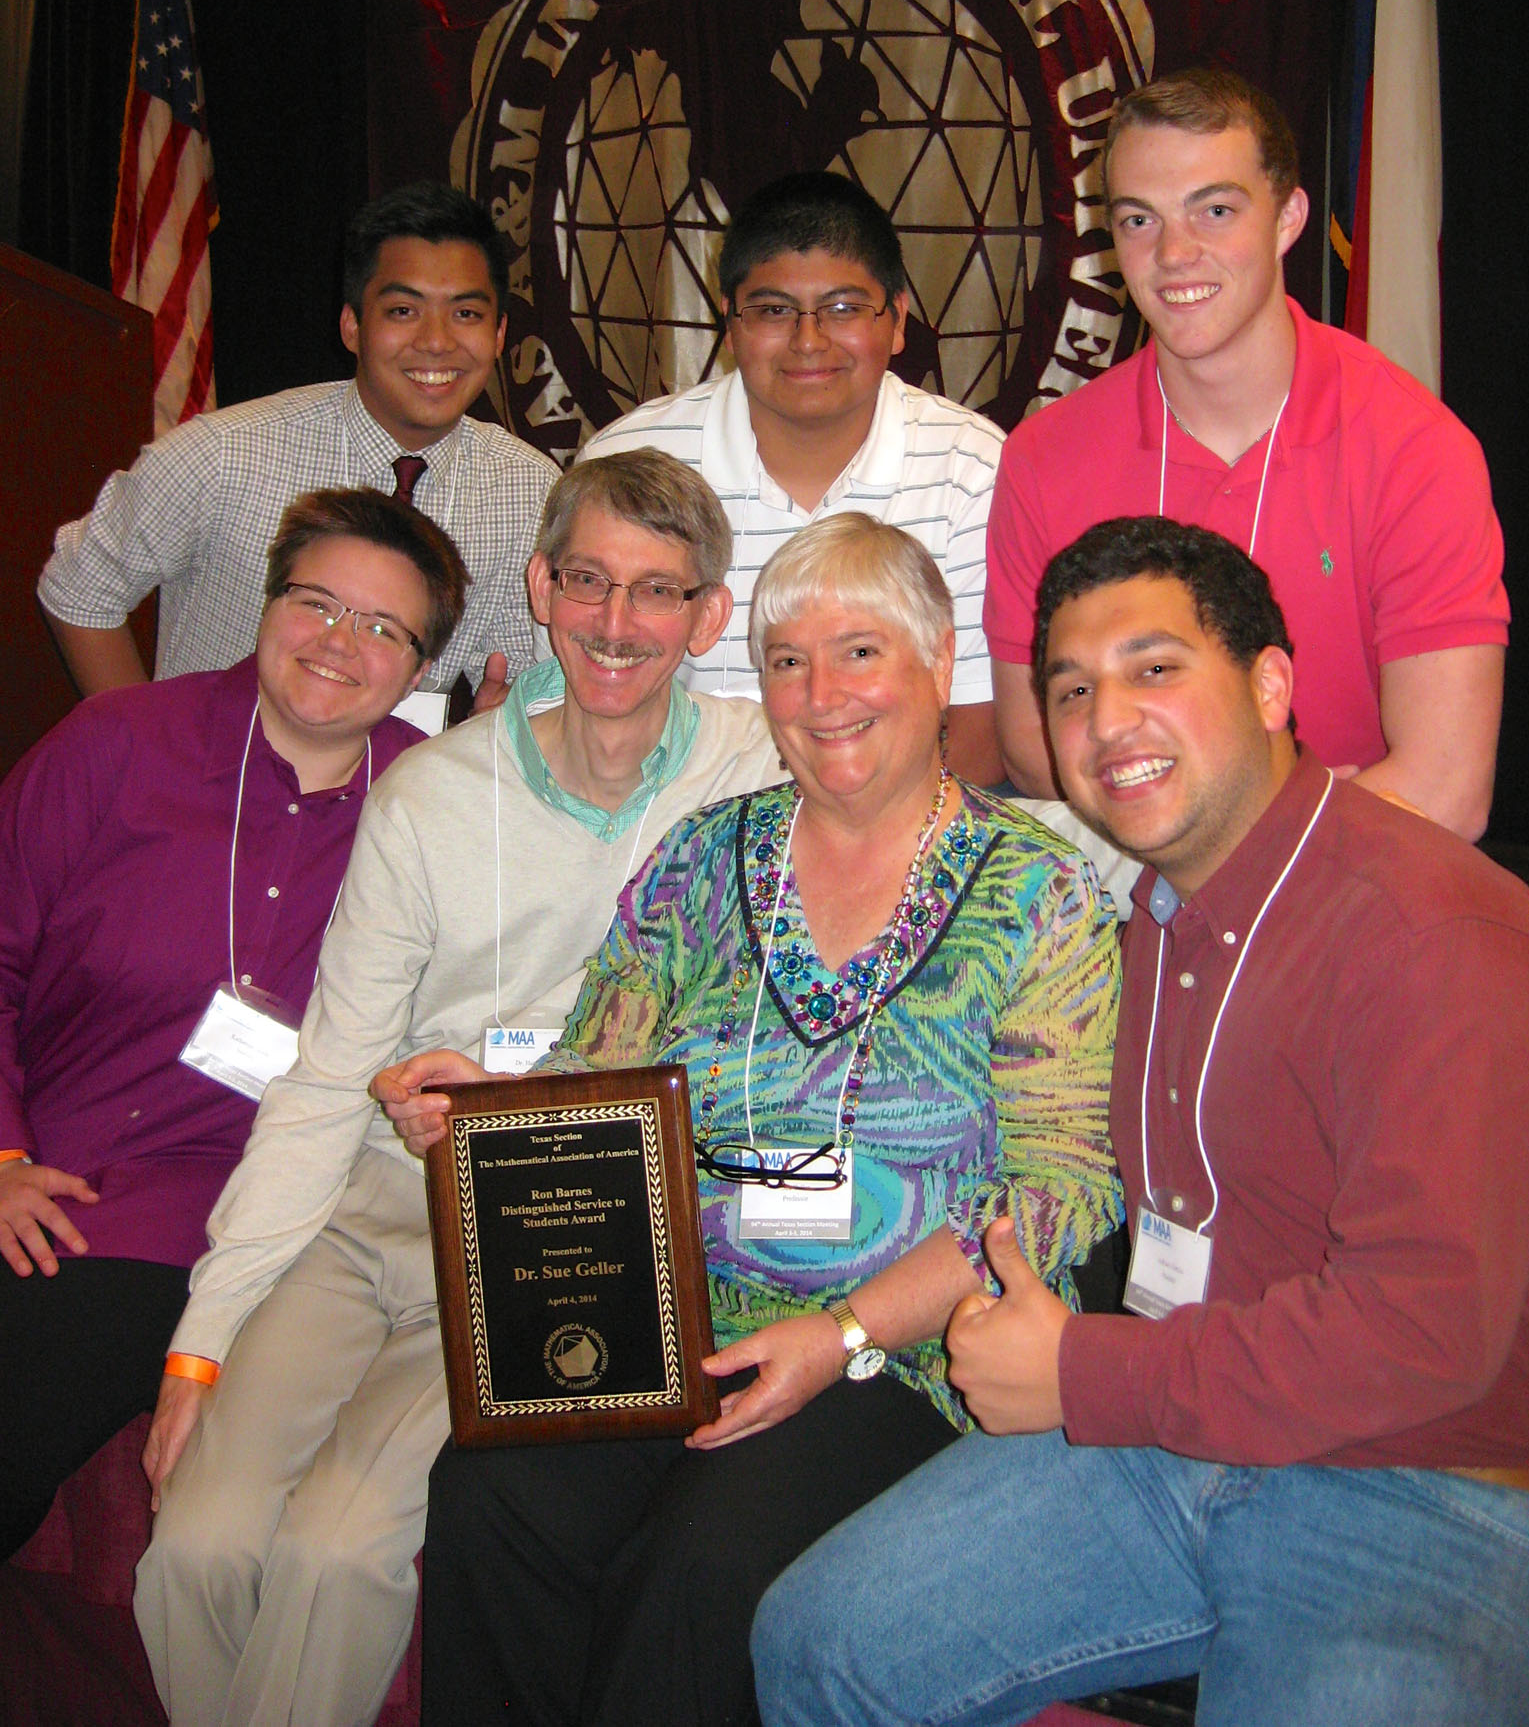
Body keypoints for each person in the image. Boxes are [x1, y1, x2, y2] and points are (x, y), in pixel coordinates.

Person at [752, 516, 1529, 1727]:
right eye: (1071, 689)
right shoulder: (1159, 911)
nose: (1106, 722)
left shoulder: (1440, 938)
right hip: (1194, 1432)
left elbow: (1421, 1336)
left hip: (1450, 1478)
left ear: (1269, 684)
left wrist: (1083, 1371)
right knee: (821, 1645)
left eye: (1155, 671)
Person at [410, 513, 1122, 1727]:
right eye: (788, 660)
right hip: (664, 1322)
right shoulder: (700, 858)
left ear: (937, 663)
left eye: (860, 653)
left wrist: (841, 1333)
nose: (820, 693)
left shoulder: (1040, 892)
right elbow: (602, 1074)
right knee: (493, 1494)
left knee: (709, 1561)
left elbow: (1062, 1186)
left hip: (899, 1351)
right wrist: (493, 1109)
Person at [132, 451, 780, 1727]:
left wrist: (509, 1092)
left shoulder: (759, 779)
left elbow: (761, 1047)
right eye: (587, 579)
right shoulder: (432, 796)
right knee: (195, 1544)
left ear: (710, 618)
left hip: (547, 1235)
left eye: (658, 593)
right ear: (539, 588)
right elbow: (329, 1075)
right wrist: (200, 1342)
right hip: (370, 1206)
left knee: (336, 1552)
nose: (613, 622)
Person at [0, 486, 465, 1561]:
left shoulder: (428, 805)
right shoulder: (119, 741)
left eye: (384, 627)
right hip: (39, 1145)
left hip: (201, 1207)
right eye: (316, 602)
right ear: (266, 604)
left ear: (418, 666)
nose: (340, 643)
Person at [984, 69, 1508, 838]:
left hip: (1352, 891)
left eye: (1216, 210)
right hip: (1131, 893)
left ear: (1288, 217)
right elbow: (1035, 750)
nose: (1174, 254)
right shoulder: (1044, 457)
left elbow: (1447, 788)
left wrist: (1230, 856)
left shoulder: (1415, 450)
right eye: (1139, 221)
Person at [39, 179, 558, 714]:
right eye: (404, 311)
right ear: (352, 326)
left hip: (396, 789)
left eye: (465, 314)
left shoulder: (529, 491)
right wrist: (146, 750)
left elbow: (525, 676)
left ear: (498, 335)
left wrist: (495, 732)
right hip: (215, 783)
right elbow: (80, 590)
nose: (436, 340)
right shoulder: (223, 454)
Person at [580, 171, 1008, 784]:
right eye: (774, 310)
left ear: (898, 317)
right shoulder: (628, 461)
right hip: (675, 839)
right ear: (728, 321)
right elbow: (585, 704)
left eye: (843, 308)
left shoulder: (971, 468)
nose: (809, 342)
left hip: (897, 843)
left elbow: (978, 727)